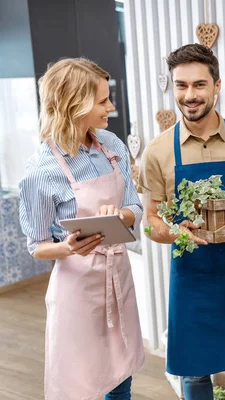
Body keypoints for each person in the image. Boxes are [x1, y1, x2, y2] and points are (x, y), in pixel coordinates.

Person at [139, 44, 225, 399]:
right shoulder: (157, 152)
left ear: (217, 86)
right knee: (194, 373)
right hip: (192, 278)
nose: (189, 95)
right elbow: (151, 220)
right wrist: (175, 233)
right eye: (181, 85)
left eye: (199, 85)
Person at [18, 58, 145, 400]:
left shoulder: (113, 147)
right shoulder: (41, 171)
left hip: (118, 276)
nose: (111, 107)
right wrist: (70, 247)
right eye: (103, 101)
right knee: (81, 383)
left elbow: (137, 208)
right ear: (75, 104)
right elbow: (37, 246)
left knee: (121, 376)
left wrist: (119, 215)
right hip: (77, 289)